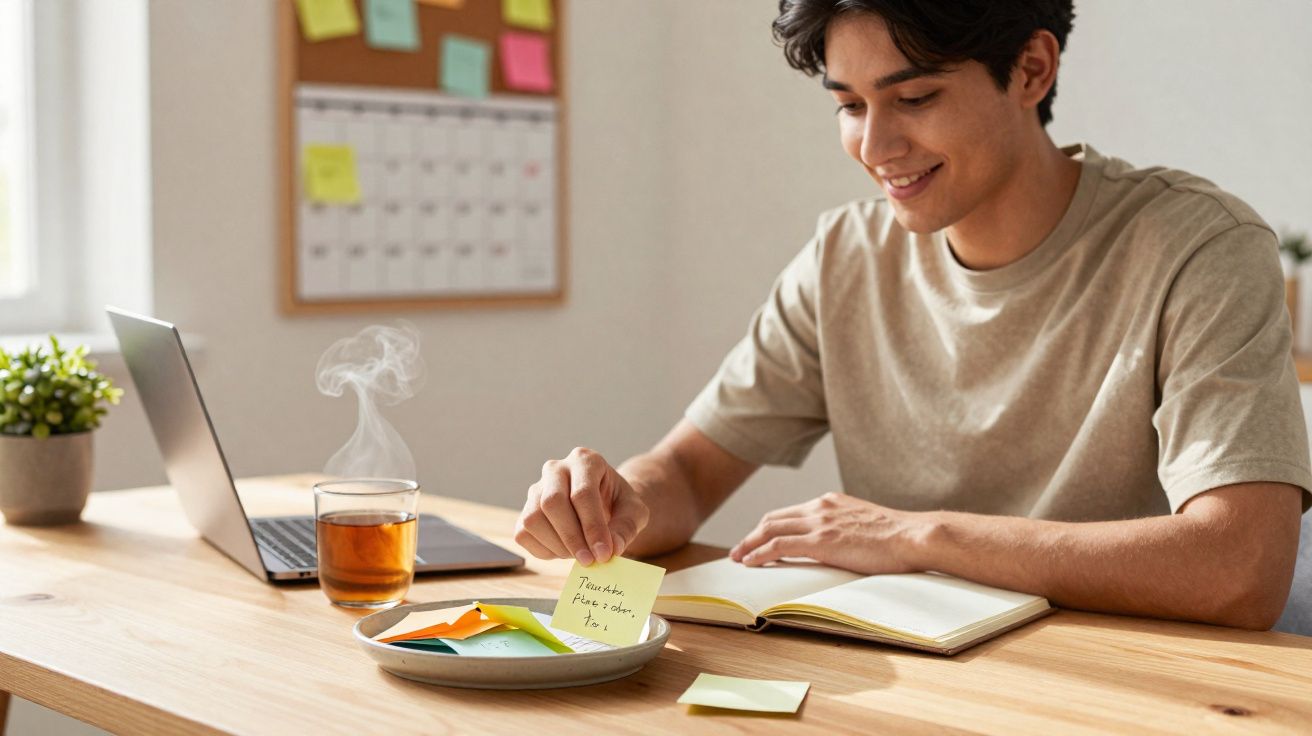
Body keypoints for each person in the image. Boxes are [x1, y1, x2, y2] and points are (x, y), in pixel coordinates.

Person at [514, 0, 1312, 630]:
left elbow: (1242, 567)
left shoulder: (1199, 247)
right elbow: (689, 471)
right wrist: (619, 500)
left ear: (1032, 69)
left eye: (916, 97)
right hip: (911, 678)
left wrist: (917, 537)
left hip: (1119, 693)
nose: (877, 144)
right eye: (850, 105)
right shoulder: (844, 257)